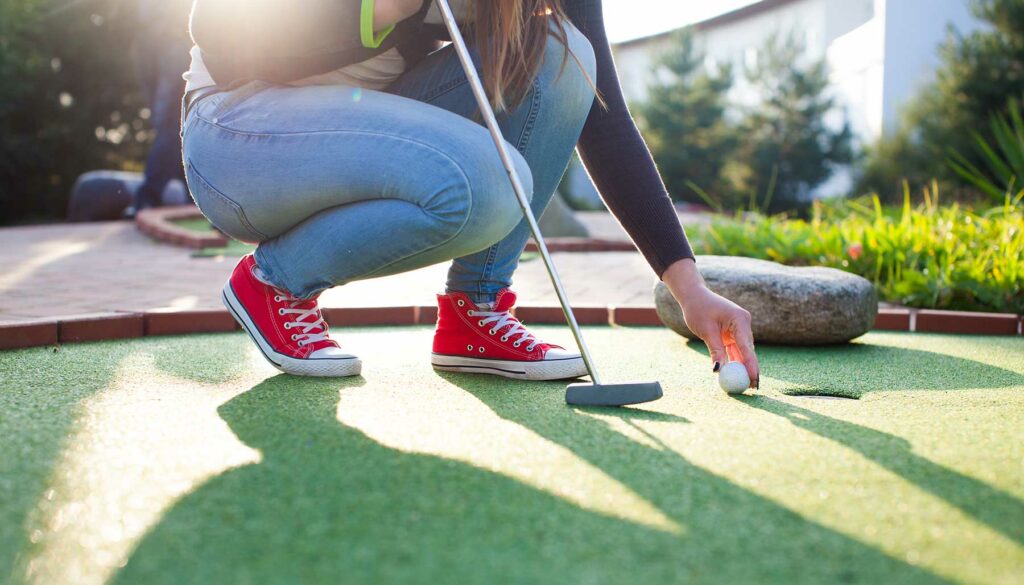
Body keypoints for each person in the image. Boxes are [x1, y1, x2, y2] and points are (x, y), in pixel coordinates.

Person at [181, 0, 760, 387]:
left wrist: (689, 289)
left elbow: (602, 116)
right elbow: (220, 34)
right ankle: (274, 281)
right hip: (235, 135)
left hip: (361, 126)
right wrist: (385, 8)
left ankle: (474, 312)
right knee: (487, 183)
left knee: (563, 55)